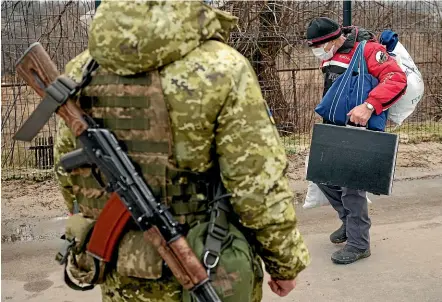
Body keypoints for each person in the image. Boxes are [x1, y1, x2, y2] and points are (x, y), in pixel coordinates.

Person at [53, 1, 310, 301]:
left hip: (121, 269)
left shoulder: (82, 69)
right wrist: (283, 262)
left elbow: (67, 172)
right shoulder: (223, 67)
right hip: (206, 259)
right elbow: (255, 183)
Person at [306, 17, 407, 265]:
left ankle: (359, 243)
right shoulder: (330, 55)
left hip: (360, 126)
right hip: (334, 127)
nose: (319, 51)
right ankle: (349, 223)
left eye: (321, 45)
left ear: (335, 39)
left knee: (352, 187)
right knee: (321, 175)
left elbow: (396, 79)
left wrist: (369, 105)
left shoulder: (369, 50)